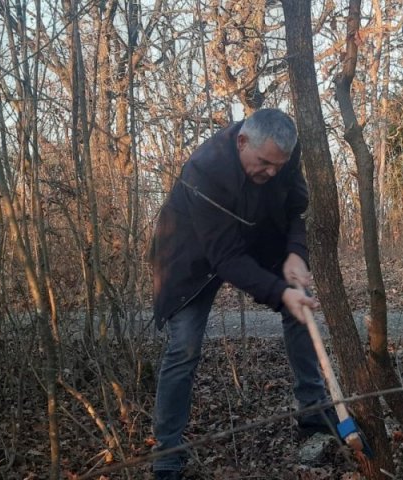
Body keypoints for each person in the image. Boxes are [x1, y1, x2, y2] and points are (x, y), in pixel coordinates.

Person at [149, 109, 334, 479]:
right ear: (241, 142)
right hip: (190, 256)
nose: (270, 172)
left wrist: (296, 252)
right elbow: (225, 257)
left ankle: (313, 410)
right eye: (263, 163)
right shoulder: (205, 170)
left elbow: (297, 208)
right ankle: (168, 451)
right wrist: (279, 292)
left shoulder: (285, 155)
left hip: (256, 236)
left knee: (301, 307)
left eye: (277, 166)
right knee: (183, 348)